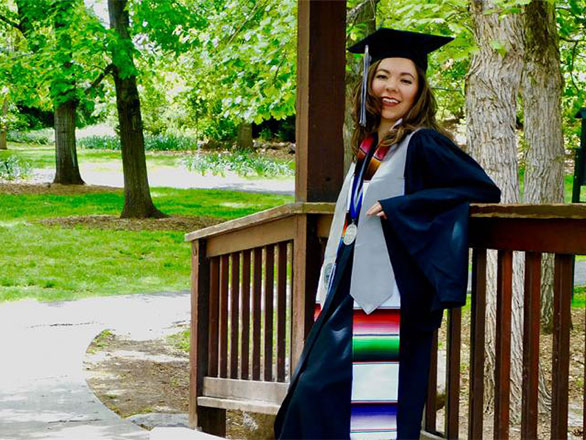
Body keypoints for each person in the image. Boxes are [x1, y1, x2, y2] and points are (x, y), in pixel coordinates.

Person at [274, 28, 501, 440]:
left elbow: (482, 188)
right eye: (383, 76)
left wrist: (404, 207)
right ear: (368, 82)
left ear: (419, 92)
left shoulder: (423, 143)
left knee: (342, 399)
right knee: (316, 392)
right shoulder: (369, 147)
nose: (391, 88)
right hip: (349, 287)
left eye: (405, 80)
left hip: (390, 298)